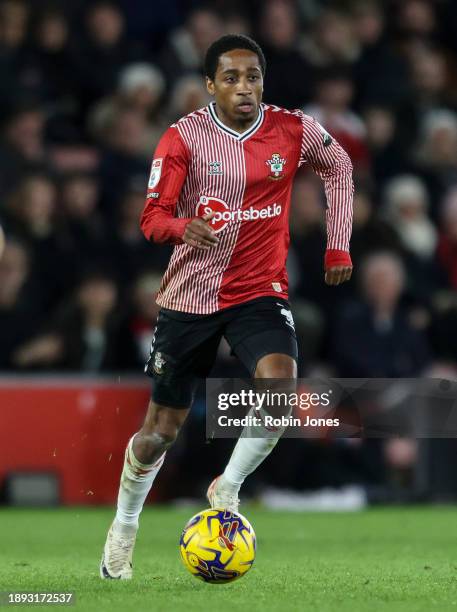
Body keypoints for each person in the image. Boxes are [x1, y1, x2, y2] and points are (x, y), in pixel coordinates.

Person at [100, 34, 354, 580]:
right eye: (232, 78)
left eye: (254, 76)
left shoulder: (292, 128)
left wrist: (338, 241)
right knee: (159, 433)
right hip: (189, 297)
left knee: (280, 388)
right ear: (209, 85)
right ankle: (124, 524)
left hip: (259, 291)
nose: (245, 88)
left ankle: (228, 486)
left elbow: (339, 165)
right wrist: (179, 226)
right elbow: (151, 218)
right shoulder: (182, 138)